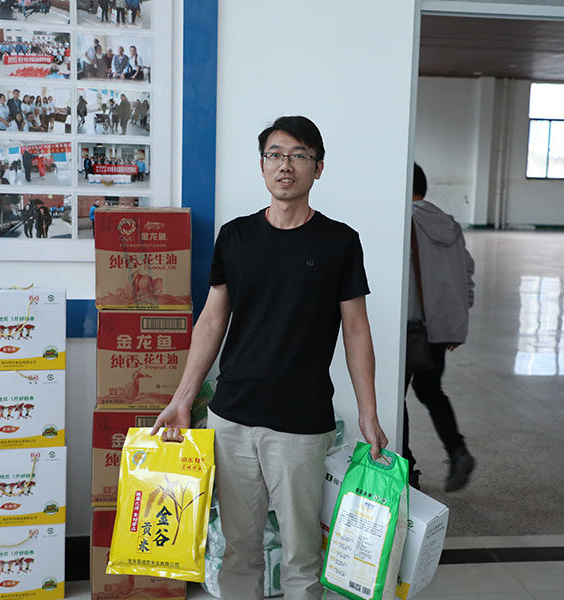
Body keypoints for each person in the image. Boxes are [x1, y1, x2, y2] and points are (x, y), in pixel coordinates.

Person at [150, 116, 387, 600]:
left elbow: (356, 330)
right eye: (275, 155)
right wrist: (182, 399)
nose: (286, 165)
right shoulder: (235, 236)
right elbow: (212, 321)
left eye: (299, 155)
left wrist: (369, 413)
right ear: (262, 165)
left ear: (318, 167)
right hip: (232, 416)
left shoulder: (339, 242)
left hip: (300, 422)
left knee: (302, 554)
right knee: (238, 551)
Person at [404, 163, 476, 493]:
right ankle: (458, 451)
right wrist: (453, 322)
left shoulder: (405, 220)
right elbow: (466, 272)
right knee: (431, 390)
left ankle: (407, 469)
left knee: (395, 397)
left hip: (410, 327)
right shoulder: (449, 222)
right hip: (439, 329)